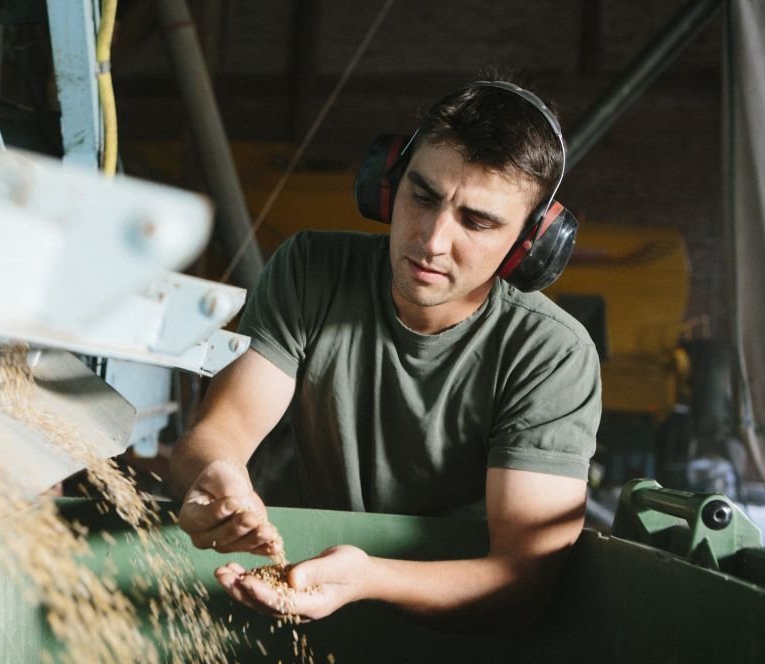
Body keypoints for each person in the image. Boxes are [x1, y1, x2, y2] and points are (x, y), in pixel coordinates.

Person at [170, 79, 602, 631]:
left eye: (477, 221)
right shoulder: (310, 272)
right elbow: (216, 433)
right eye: (423, 196)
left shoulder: (551, 354)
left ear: (529, 243)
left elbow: (524, 577)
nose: (432, 239)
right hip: (309, 591)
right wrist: (218, 476)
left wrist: (368, 579)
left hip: (466, 636)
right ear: (388, 182)